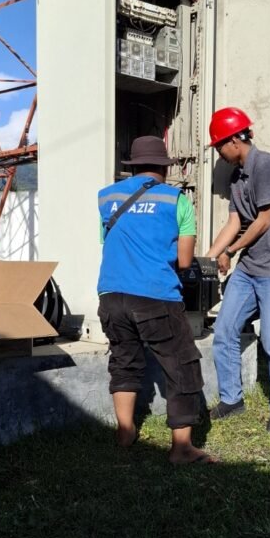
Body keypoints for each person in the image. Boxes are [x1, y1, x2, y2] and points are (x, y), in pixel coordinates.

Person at [97, 135, 216, 464]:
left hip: (110, 294)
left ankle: (125, 431)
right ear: (163, 167)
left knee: (124, 361)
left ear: (133, 166)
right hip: (154, 296)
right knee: (182, 365)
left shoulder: (107, 197)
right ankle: (182, 449)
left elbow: (106, 241)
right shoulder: (176, 200)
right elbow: (183, 260)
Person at [205, 107, 270, 434]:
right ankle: (232, 399)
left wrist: (231, 251)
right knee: (224, 330)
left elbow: (264, 220)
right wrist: (211, 255)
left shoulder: (266, 164)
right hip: (250, 266)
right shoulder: (236, 177)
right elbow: (235, 221)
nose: (219, 152)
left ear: (235, 139)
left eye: (219, 145)